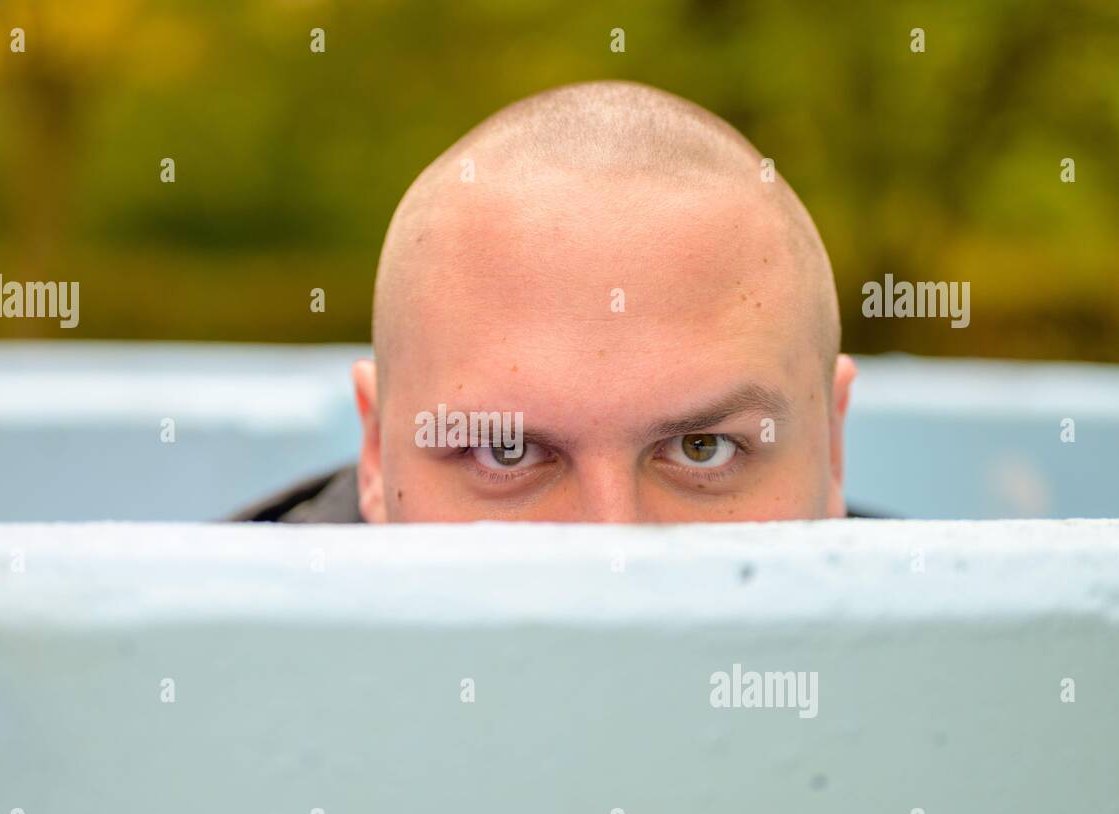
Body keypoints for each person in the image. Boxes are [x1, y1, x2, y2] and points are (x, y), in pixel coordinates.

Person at [237, 80, 863, 523]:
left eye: (703, 448)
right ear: (375, 455)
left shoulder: (945, 672)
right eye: (505, 451)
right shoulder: (211, 677)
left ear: (831, 449)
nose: (611, 558)